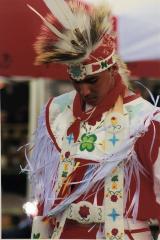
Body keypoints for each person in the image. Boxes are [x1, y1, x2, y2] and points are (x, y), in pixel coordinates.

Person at [23, 0, 160, 239]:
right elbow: (44, 195)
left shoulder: (143, 118)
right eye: (77, 82)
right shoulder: (57, 113)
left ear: (112, 69)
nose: (84, 91)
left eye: (92, 80)